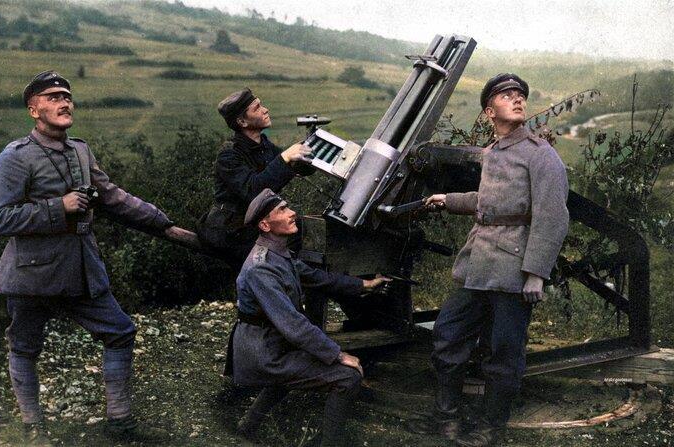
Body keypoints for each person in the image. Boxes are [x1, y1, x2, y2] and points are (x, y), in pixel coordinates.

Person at [0, 70, 198, 445]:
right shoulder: (15, 157)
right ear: (33, 110)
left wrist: (160, 220)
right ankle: (33, 429)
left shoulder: (80, 150)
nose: (64, 102)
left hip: (80, 268)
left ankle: (119, 423)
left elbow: (112, 197)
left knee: (120, 332)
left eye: (67, 96)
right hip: (31, 274)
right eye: (53, 97)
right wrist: (59, 206)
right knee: (24, 346)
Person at [418, 73, 569, 446]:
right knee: (448, 334)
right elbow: (488, 202)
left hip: (512, 269)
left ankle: (490, 428)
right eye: (506, 95)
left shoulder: (540, 153)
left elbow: (552, 216)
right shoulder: (493, 152)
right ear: (489, 111)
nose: (517, 99)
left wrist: (536, 273)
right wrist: (448, 199)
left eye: (520, 94)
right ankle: (447, 418)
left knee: (503, 351)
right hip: (477, 264)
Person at [230, 188, 389, 446]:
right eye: (282, 210)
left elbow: (318, 278)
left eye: (288, 206)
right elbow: (293, 325)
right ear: (265, 225)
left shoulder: (279, 254)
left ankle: (246, 428)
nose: (292, 213)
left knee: (291, 374)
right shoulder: (262, 268)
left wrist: (364, 285)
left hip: (272, 344)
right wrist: (338, 355)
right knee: (347, 377)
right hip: (264, 355)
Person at [201, 88, 313, 267]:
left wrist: (310, 152)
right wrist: (286, 157)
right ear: (242, 122)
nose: (265, 110)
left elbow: (295, 168)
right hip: (230, 229)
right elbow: (253, 191)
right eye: (257, 108)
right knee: (280, 256)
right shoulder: (229, 154)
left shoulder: (263, 145)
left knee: (302, 229)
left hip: (254, 224)